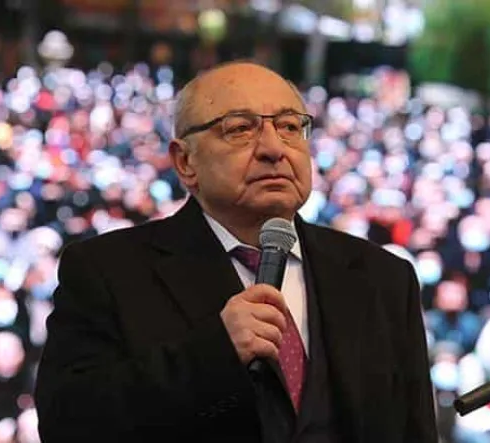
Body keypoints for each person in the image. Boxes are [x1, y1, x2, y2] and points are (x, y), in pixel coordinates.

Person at [34, 61, 437, 443]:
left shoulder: (383, 277)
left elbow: (414, 429)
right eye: (241, 128)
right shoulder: (108, 271)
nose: (274, 148)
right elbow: (68, 424)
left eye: (289, 127)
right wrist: (215, 355)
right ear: (185, 162)